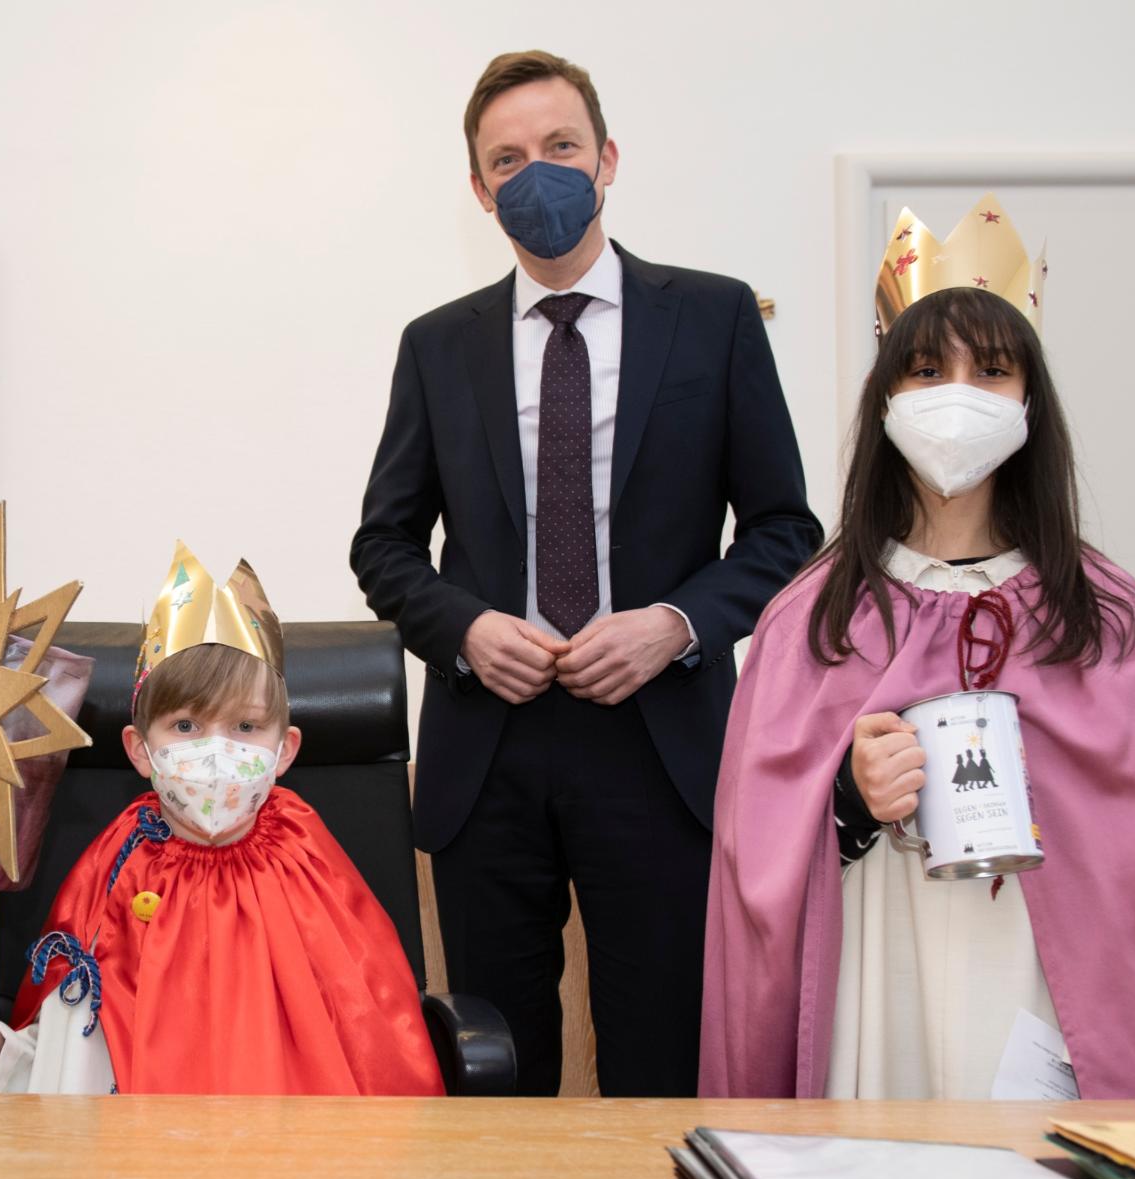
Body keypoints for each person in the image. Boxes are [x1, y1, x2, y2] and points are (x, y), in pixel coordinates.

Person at [350, 50, 819, 1096]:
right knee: (494, 1068)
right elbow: (382, 545)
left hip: (660, 745)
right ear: (479, 190)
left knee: (659, 1059)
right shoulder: (438, 345)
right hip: (490, 746)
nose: (538, 174)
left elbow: (785, 529)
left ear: (607, 159)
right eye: (508, 160)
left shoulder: (715, 316)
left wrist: (676, 622)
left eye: (560, 147)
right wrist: (465, 628)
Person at [700, 197, 1135, 1100]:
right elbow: (755, 852)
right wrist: (851, 805)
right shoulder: (811, 618)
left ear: (1029, 401)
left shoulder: (1106, 617)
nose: (957, 396)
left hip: (1038, 973)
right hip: (875, 961)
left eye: (993, 371)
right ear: (887, 395)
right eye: (928, 368)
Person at [0, 544, 444, 1096]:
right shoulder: (120, 866)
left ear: (285, 750)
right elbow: (75, 1050)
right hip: (143, 1160)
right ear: (140, 750)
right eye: (187, 727)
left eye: (245, 726)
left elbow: (372, 1032)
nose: (216, 752)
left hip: (297, 1159)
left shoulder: (309, 859)